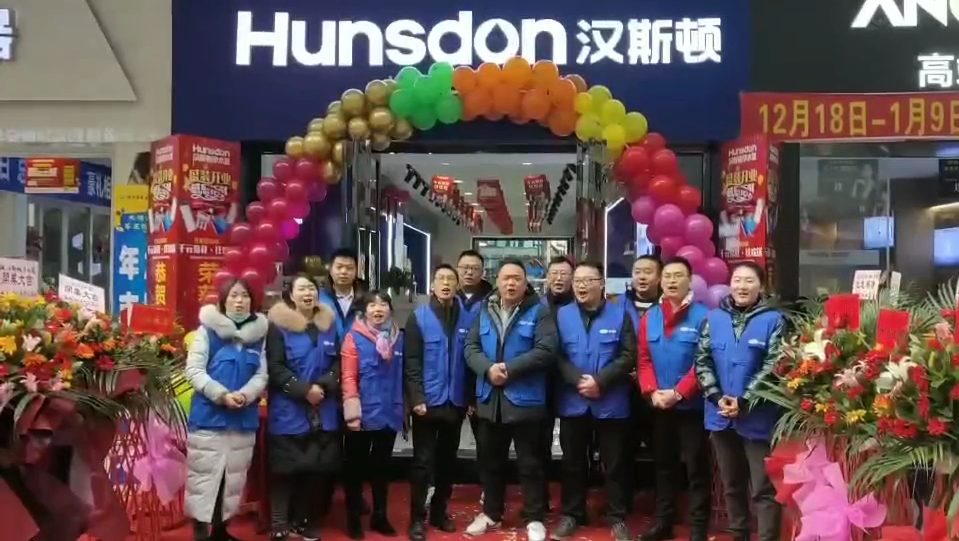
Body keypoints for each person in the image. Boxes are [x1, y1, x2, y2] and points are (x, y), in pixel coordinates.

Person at [464, 258, 558, 541]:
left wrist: (509, 369)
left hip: (525, 400)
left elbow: (546, 350)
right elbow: (471, 347)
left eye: (517, 278)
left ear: (526, 282)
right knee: (490, 462)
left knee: (530, 464)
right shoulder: (485, 309)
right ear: (497, 281)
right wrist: (487, 369)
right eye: (506, 278)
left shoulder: (539, 311)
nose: (511, 283)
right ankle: (491, 513)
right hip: (490, 400)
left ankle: (535, 517)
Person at [694, 262, 785, 541]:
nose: (741, 286)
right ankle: (739, 535)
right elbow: (702, 361)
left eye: (749, 281)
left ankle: (767, 537)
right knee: (731, 485)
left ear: (761, 286)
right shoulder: (713, 319)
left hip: (757, 416)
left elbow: (775, 365)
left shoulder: (775, 320)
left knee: (763, 487)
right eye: (737, 280)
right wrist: (716, 396)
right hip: (720, 415)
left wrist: (744, 400)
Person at [551, 260, 636, 541]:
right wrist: (578, 380)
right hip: (573, 400)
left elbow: (628, 355)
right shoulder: (561, 315)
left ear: (602, 284)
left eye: (588, 280)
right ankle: (572, 514)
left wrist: (601, 381)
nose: (581, 286)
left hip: (611, 401)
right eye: (577, 281)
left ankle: (617, 516)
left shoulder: (620, 315)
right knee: (573, 462)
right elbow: (556, 355)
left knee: (615, 463)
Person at [184, 279, 268, 541]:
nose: (239, 301)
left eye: (245, 296)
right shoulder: (206, 332)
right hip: (209, 418)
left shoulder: (260, 337)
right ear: (223, 300)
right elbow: (194, 371)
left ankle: (221, 531)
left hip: (243, 419)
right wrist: (221, 395)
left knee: (232, 479)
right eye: (234, 295)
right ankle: (200, 532)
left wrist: (246, 394)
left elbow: (262, 374)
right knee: (203, 478)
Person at [636, 257, 711, 541]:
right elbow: (644, 359)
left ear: (689, 281)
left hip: (691, 406)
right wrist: (652, 391)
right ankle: (663, 522)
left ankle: (698, 527)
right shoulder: (651, 316)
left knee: (696, 467)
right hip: (659, 405)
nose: (671, 281)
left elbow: (705, 362)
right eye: (667, 276)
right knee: (663, 466)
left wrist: (679, 392)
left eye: (678, 276)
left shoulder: (704, 316)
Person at [266, 274, 342, 541]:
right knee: (285, 470)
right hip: (290, 409)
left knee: (316, 470)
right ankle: (279, 524)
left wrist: (324, 386)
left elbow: (339, 362)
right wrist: (304, 390)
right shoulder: (278, 326)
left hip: (324, 408)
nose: (308, 294)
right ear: (291, 295)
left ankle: (305, 521)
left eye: (312, 288)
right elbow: (275, 367)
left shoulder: (329, 325)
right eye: (302, 289)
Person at [405, 265, 471, 541]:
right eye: (440, 279)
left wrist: (470, 398)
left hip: (455, 401)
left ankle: (439, 512)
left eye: (450, 279)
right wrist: (416, 397)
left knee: (447, 462)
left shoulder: (468, 318)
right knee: (423, 463)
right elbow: (411, 362)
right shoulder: (418, 317)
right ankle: (417, 518)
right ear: (432, 285)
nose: (445, 283)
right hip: (427, 403)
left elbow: (470, 361)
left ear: (457, 285)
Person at [341, 290, 405, 539]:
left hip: (389, 412)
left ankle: (380, 516)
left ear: (390, 309)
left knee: (382, 468)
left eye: (383, 305)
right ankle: (353, 518)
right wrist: (352, 413)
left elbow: (402, 375)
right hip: (363, 414)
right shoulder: (353, 337)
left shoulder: (398, 338)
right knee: (355, 468)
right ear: (364, 311)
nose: (378, 309)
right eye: (372, 305)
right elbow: (348, 377)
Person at [621, 255, 662, 507]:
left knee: (662, 450)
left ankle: (663, 506)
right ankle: (621, 503)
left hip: (659, 390)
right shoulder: (616, 305)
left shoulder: (669, 305)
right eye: (637, 272)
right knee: (622, 450)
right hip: (623, 390)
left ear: (659, 277)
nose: (642, 277)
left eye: (648, 272)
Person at [455, 249, 493, 499]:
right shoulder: (446, 297)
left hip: (482, 381)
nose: (469, 272)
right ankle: (438, 488)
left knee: (487, 443)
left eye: (474, 268)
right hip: (451, 381)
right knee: (445, 442)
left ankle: (489, 490)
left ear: (483, 272)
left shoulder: (492, 301)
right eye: (464, 267)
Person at [540, 256, 575, 510]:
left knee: (572, 447)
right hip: (541, 385)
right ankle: (539, 500)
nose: (559, 278)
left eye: (564, 274)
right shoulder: (536, 306)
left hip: (573, 384)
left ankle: (572, 504)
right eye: (554, 273)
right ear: (547, 277)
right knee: (539, 445)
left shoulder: (580, 305)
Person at [320, 248, 368, 341]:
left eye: (349, 268)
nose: (343, 272)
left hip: (356, 349)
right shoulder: (319, 298)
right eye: (339, 267)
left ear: (356, 271)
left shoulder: (366, 299)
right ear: (330, 269)